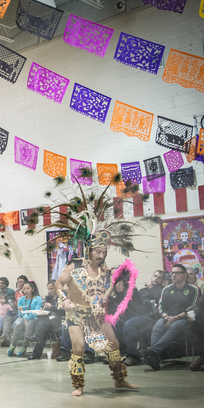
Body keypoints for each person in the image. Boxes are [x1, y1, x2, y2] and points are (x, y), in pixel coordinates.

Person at [34, 169, 150, 396]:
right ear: (89, 250)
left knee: (114, 345)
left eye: (104, 251)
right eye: (98, 250)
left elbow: (105, 294)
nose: (101, 254)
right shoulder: (74, 266)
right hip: (76, 315)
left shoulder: (107, 271)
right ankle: (78, 386)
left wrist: (115, 293)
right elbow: (58, 285)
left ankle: (119, 380)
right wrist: (64, 299)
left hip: (98, 315)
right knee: (77, 347)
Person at [144, 264, 200, 371]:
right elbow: (161, 305)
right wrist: (165, 315)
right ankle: (155, 358)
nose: (174, 275)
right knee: (157, 327)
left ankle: (153, 352)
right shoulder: (167, 289)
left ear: (184, 275)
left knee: (173, 327)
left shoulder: (194, 289)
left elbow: (194, 306)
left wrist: (176, 317)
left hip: (184, 318)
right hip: (167, 317)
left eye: (177, 273)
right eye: (172, 273)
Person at [29, 280, 64, 360]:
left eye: (51, 289)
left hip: (58, 320)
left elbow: (63, 311)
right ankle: (36, 354)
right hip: (48, 321)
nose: (50, 291)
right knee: (43, 329)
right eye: (48, 289)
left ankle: (36, 337)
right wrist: (43, 309)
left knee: (42, 326)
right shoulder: (48, 297)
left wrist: (51, 307)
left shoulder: (61, 297)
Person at [8, 281, 42, 357]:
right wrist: (22, 313)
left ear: (33, 289)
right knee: (18, 323)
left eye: (28, 288)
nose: (26, 291)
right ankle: (13, 345)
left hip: (33, 318)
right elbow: (20, 314)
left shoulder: (38, 299)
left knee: (29, 324)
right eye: (24, 289)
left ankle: (24, 347)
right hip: (23, 317)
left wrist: (27, 318)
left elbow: (35, 312)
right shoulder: (21, 300)